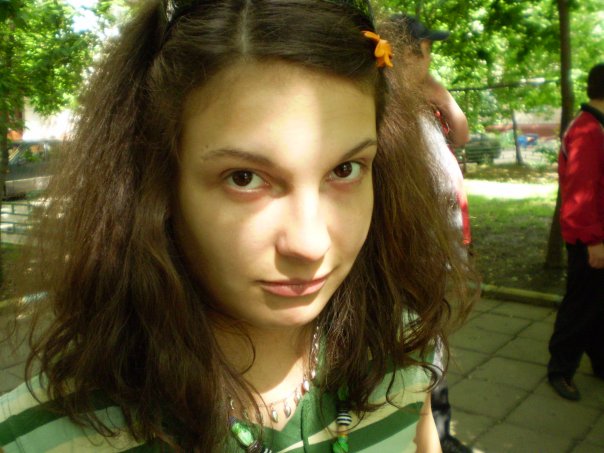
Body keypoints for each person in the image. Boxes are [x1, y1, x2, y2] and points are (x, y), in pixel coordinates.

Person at [0, 1, 475, 451]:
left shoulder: (401, 356)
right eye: (244, 178)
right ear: (157, 182)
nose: (310, 244)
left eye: (345, 169)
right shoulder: (38, 438)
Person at [385, 14, 472, 453]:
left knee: (431, 336)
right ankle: (432, 431)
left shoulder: (423, 100)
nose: (431, 58)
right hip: (415, 248)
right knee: (422, 339)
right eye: (426, 50)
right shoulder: (388, 103)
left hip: (440, 247)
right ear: (407, 53)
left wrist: (441, 94)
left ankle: (438, 429)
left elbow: (463, 134)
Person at [547, 63, 604, 401]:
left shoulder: (596, 126)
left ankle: (600, 361)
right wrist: (594, 241)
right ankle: (560, 369)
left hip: (595, 236)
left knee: (598, 304)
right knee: (581, 306)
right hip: (590, 240)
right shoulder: (588, 131)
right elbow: (581, 193)